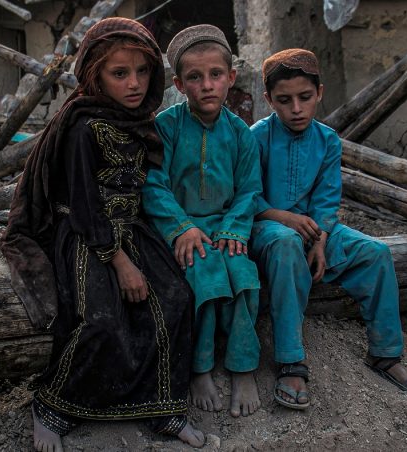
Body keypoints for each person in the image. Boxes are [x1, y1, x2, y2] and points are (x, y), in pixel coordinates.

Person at [0, 18, 205, 451]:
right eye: (120, 73)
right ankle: (54, 406)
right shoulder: (81, 125)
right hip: (87, 235)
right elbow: (84, 203)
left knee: (175, 299)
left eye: (143, 71)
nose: (134, 83)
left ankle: (163, 408)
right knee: (101, 318)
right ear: (95, 75)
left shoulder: (136, 120)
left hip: (133, 230)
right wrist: (121, 262)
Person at [249, 48, 407, 410]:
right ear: (268, 100)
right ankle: (290, 361)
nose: (296, 108)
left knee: (377, 253)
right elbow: (247, 197)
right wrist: (285, 219)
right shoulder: (256, 138)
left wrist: (321, 239)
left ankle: (386, 353)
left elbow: (328, 199)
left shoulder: (328, 140)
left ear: (320, 94)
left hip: (316, 228)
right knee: (285, 244)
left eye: (304, 97)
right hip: (267, 228)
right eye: (284, 100)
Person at [141, 24, 263, 418]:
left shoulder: (241, 134)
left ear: (231, 78)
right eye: (194, 77)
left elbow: (249, 190)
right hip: (182, 228)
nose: (206, 85)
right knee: (204, 275)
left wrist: (234, 227)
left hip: (225, 226)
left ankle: (243, 366)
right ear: (178, 83)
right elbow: (154, 185)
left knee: (243, 276)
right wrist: (182, 227)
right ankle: (200, 368)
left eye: (215, 75)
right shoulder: (167, 126)